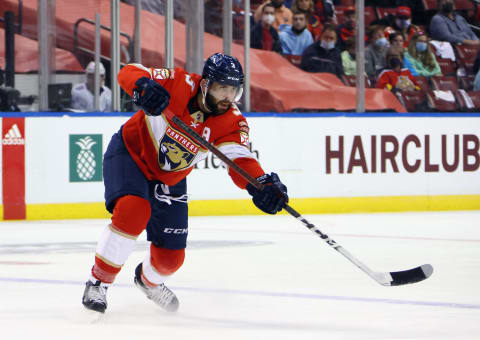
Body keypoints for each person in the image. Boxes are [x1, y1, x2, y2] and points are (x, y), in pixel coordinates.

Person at [81, 53, 289, 314]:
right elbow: (129, 71)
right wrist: (143, 86)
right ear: (205, 85)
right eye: (221, 88)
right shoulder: (178, 82)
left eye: (233, 91)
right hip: (131, 154)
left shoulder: (232, 122)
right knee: (134, 211)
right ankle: (98, 281)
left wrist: (259, 184)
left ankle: (148, 282)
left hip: (170, 178)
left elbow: (240, 160)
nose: (227, 97)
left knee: (171, 260)